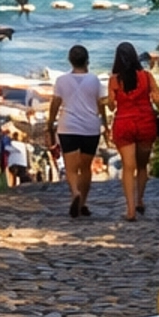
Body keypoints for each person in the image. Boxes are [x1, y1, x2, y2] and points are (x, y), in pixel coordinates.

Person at [48, 45, 109, 220]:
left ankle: (75, 192)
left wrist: (50, 123)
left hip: (68, 127)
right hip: (90, 128)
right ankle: (82, 203)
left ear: (70, 60)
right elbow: (101, 105)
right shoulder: (94, 80)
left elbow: (55, 104)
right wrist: (105, 124)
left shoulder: (61, 81)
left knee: (71, 168)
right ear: (87, 60)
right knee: (86, 168)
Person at [108, 39, 159, 222]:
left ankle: (130, 210)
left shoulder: (115, 80)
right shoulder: (146, 77)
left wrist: (110, 100)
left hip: (124, 124)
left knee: (128, 168)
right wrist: (152, 96)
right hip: (146, 122)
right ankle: (140, 200)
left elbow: (110, 105)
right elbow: (158, 98)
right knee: (142, 166)